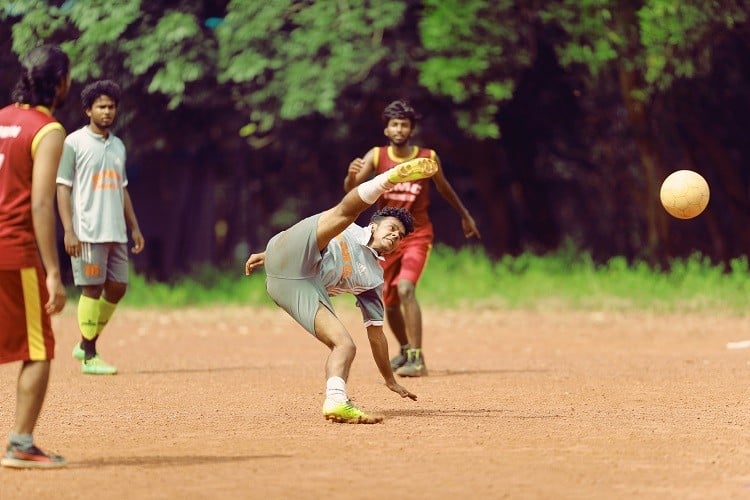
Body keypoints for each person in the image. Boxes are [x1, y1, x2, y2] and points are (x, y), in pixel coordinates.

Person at [245, 157, 439, 423]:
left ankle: (336, 401)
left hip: (293, 286)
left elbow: (377, 336)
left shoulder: (373, 278)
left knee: (345, 345)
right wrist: (269, 255)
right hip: (287, 252)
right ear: (374, 225)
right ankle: (389, 177)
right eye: (392, 228)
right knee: (343, 212)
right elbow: (317, 235)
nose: (396, 235)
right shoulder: (348, 229)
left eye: (401, 236)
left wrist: (389, 379)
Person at [343, 99, 481, 377]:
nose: (399, 129)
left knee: (406, 288)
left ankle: (418, 358)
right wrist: (350, 175)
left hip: (417, 235)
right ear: (386, 130)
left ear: (411, 129)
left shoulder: (427, 157)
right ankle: (405, 350)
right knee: (389, 300)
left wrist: (465, 214)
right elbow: (352, 192)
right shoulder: (376, 156)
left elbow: (444, 188)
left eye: (404, 124)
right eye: (394, 124)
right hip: (385, 240)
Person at [0, 44, 70, 469]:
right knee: (38, 347)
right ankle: (21, 444)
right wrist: (53, 274)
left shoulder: (2, 119)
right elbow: (41, 205)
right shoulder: (47, 129)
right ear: (60, 83)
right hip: (15, 250)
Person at [56, 80, 145, 375]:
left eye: (111, 107)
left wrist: (134, 228)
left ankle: (86, 341)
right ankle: (89, 354)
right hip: (87, 232)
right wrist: (69, 230)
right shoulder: (74, 143)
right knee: (92, 289)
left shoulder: (118, 145)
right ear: (88, 110)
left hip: (116, 232)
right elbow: (62, 188)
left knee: (117, 288)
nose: (107, 112)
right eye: (101, 107)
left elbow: (123, 189)